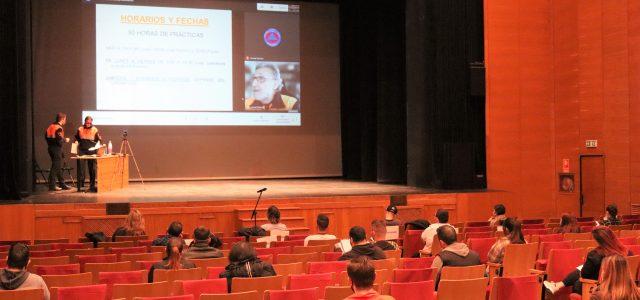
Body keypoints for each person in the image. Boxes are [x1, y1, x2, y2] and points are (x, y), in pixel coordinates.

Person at [544, 227, 631, 295]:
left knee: (578, 281)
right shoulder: (628, 252)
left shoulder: (595, 255)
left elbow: (585, 275)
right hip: (625, 286)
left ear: (599, 241)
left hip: (601, 289)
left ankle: (557, 285)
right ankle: (557, 285)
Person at [74, 116, 102, 192]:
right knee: (81, 168)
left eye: (90, 123)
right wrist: (76, 141)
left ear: (91, 122)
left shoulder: (95, 129)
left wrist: (100, 140)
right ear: (84, 122)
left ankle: (92, 185)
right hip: (82, 150)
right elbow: (76, 137)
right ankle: (80, 185)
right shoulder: (80, 129)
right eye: (87, 123)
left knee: (91, 168)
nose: (88, 124)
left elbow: (98, 140)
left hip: (91, 150)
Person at [45, 112, 71, 191]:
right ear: (62, 119)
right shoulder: (58, 127)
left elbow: (46, 136)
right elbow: (58, 139)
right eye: (65, 119)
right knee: (55, 167)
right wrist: (65, 140)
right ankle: (52, 185)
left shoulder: (51, 126)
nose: (65, 121)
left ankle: (62, 184)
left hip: (51, 148)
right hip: (56, 149)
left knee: (58, 167)